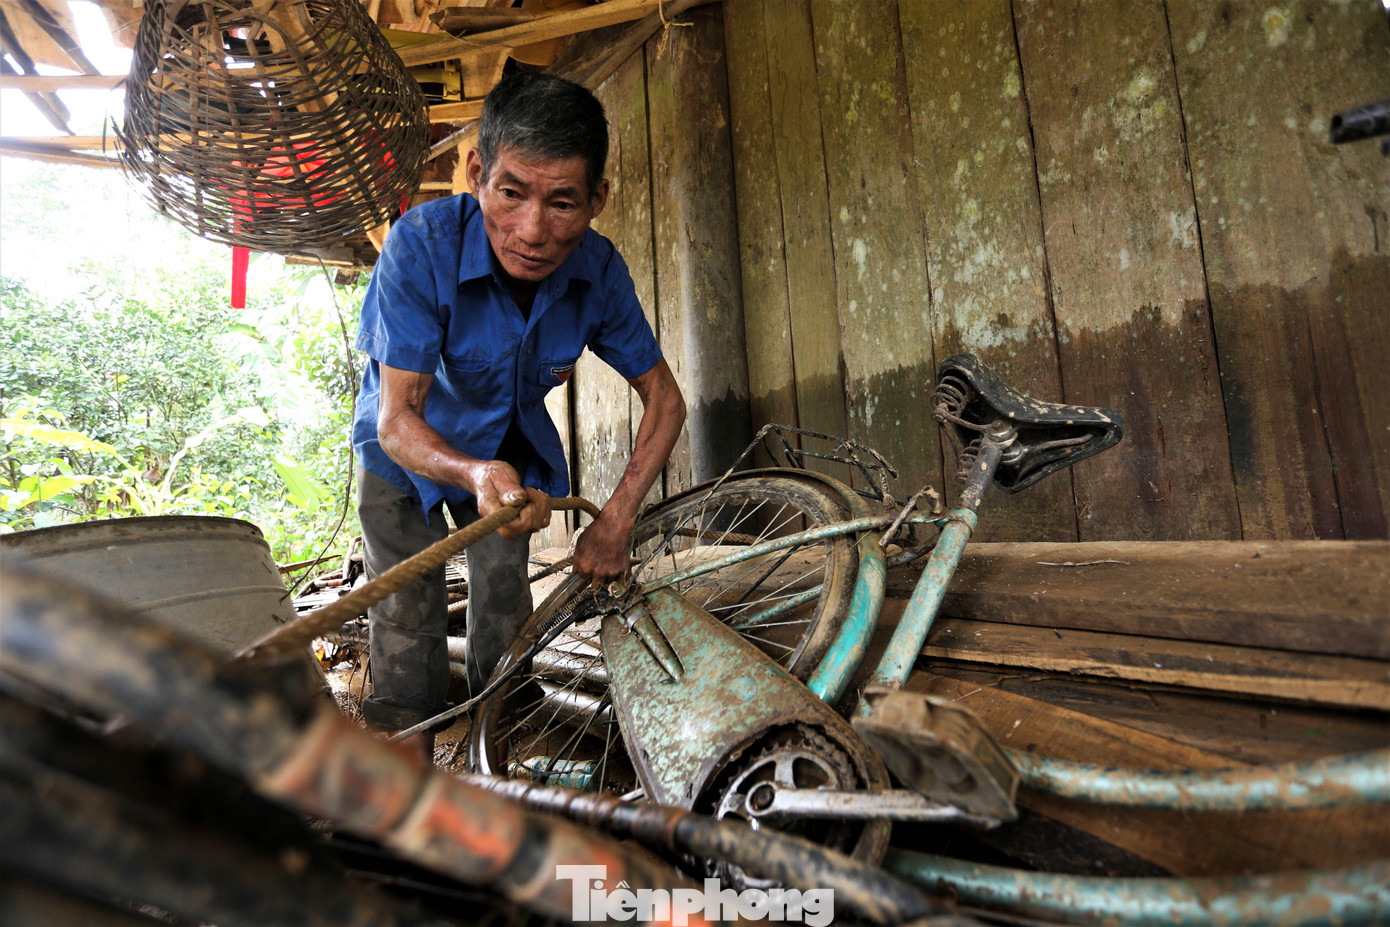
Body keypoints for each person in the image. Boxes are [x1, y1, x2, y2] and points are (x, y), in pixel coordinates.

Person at [350, 71, 686, 760]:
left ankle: (496, 770)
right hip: (402, 455)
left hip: (508, 452)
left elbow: (665, 399)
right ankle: (404, 798)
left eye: (562, 203)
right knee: (405, 617)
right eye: (511, 193)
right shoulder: (420, 247)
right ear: (477, 174)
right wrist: (473, 473)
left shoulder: (598, 273)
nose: (533, 232)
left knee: (505, 614)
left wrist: (616, 519)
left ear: (597, 199)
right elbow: (396, 419)